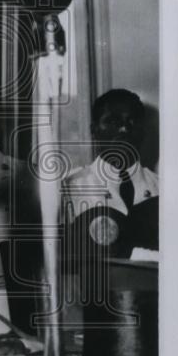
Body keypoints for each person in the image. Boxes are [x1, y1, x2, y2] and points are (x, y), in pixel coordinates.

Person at [63, 88, 159, 257]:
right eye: (113, 122)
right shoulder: (70, 190)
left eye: (132, 121)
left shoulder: (163, 189)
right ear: (94, 131)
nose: (124, 129)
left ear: (143, 132)